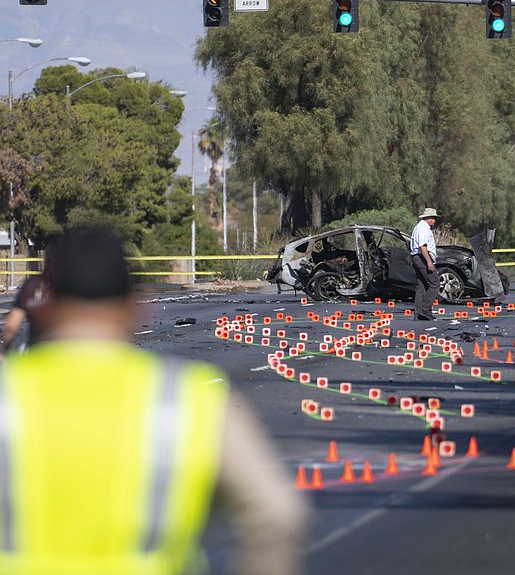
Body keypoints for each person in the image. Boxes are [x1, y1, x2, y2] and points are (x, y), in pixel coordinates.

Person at [0, 228, 307, 575]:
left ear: (45, 306)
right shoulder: (188, 400)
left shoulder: (10, 397)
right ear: (136, 307)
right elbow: (276, 514)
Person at [0, 272, 47, 358]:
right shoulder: (72, 284)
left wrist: (4, 351)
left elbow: (11, 326)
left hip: (37, 350)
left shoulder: (35, 283)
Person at [409, 207, 440, 321]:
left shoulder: (420, 227)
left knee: (421, 285)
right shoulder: (423, 228)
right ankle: (426, 310)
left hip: (417, 257)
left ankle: (418, 313)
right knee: (434, 283)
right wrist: (429, 262)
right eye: (434, 218)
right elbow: (423, 246)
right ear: (429, 218)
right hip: (422, 257)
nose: (435, 221)